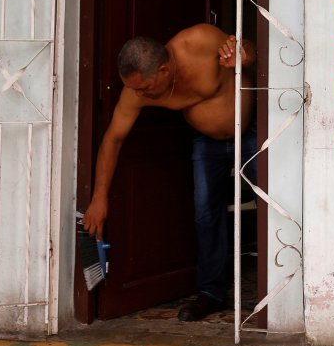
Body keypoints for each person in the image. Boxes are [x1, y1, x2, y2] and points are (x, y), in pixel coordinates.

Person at [81, 23, 257, 321]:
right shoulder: (137, 91)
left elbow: (251, 50)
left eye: (143, 87)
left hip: (252, 134)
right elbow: (113, 138)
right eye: (134, 88)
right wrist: (99, 199)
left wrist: (241, 55)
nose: (138, 94)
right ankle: (211, 293)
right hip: (208, 143)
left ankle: (287, 288)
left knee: (274, 203)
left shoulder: (199, 41)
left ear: (163, 70)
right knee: (205, 215)